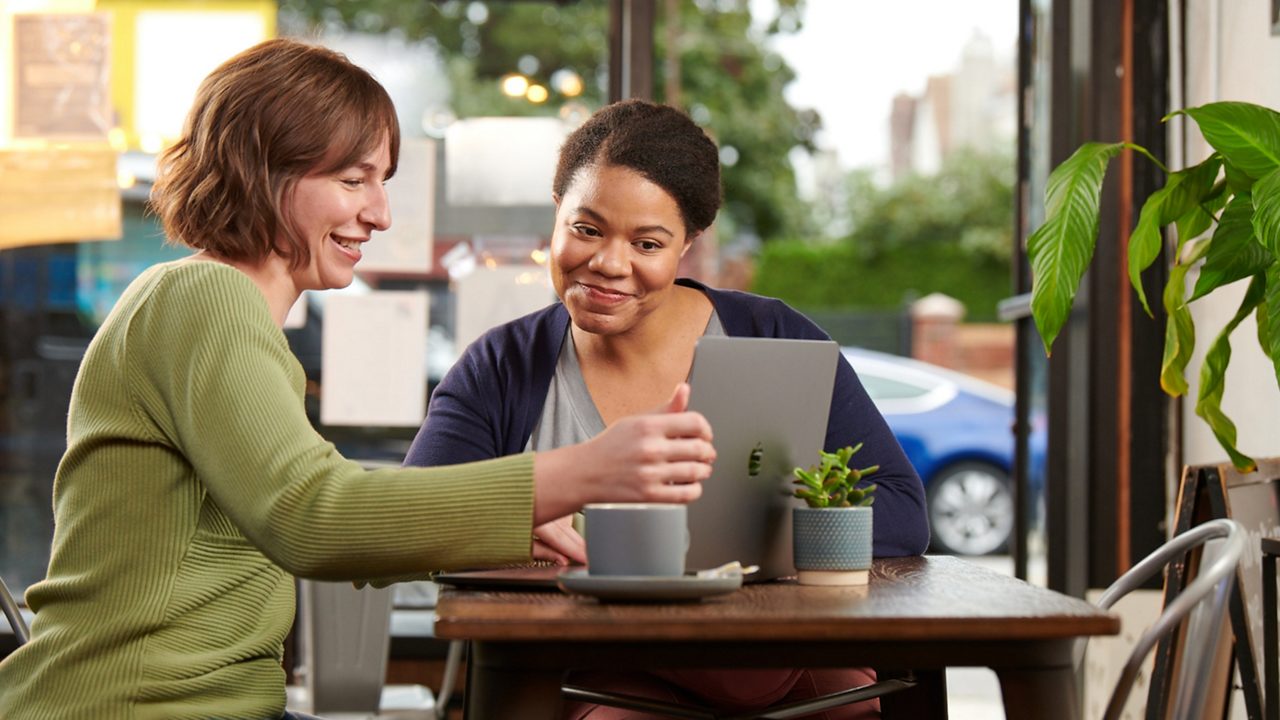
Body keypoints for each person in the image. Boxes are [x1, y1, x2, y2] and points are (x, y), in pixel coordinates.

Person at [0, 40, 717, 720]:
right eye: (353, 181)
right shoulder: (204, 301)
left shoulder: (222, 316)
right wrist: (584, 471)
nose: (379, 213)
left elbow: (318, 493)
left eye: (382, 183)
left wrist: (509, 516)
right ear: (264, 171)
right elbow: (314, 516)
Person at [404, 99, 930, 719]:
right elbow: (414, 517)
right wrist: (508, 521)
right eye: (586, 228)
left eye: (647, 242)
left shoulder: (775, 337)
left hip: (779, 661)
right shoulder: (503, 367)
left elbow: (900, 509)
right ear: (556, 213)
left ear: (688, 244)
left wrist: (730, 536)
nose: (609, 263)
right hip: (598, 672)